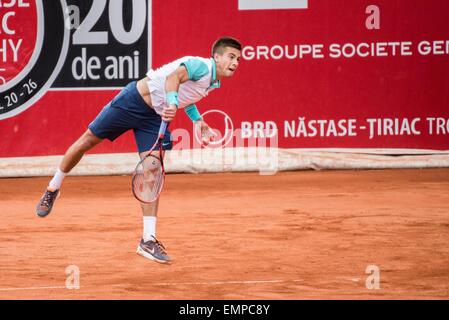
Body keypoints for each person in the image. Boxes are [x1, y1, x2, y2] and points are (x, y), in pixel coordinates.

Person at [35, 37, 242, 264]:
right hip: (132, 101)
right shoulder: (201, 66)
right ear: (217, 57)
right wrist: (172, 104)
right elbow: (174, 79)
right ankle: (53, 187)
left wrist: (198, 120)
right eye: (231, 57)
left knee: (152, 172)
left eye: (238, 59)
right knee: (87, 141)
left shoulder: (211, 82)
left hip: (153, 119)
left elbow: (186, 97)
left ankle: (148, 240)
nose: (235, 62)